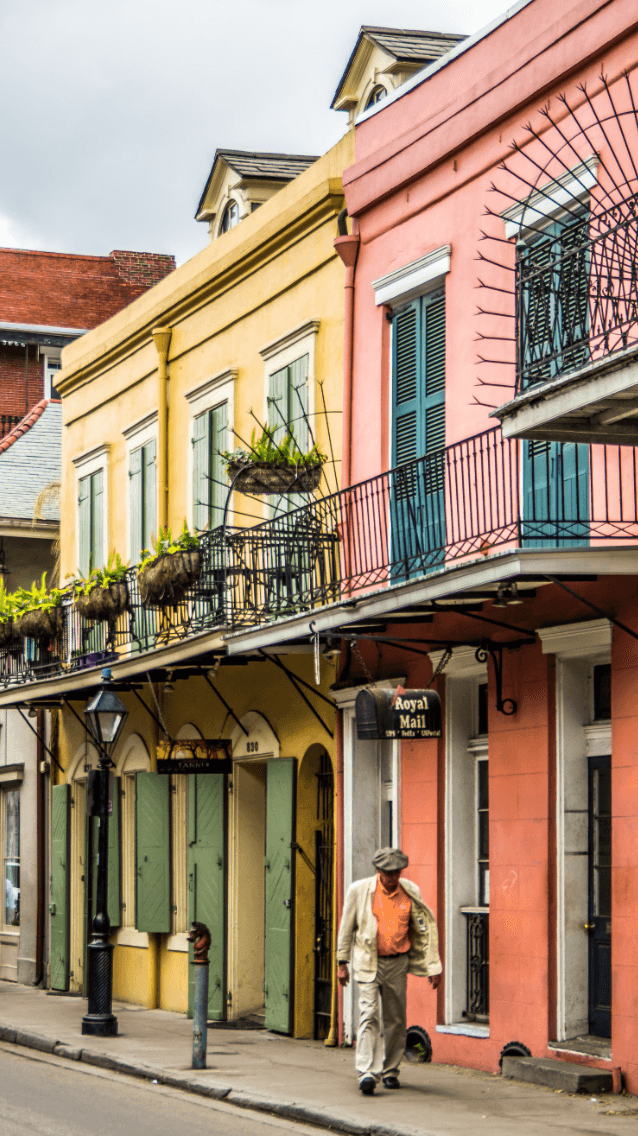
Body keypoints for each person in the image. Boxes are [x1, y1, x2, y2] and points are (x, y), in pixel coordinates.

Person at [336, 847, 441, 1096]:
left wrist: (433, 965)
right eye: (388, 873)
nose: (393, 877)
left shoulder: (410, 891)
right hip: (368, 961)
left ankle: (391, 1071)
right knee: (369, 1014)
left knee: (395, 1019)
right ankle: (367, 1072)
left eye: (397, 872)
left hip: (397, 963)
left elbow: (425, 930)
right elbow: (346, 927)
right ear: (378, 871)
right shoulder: (359, 891)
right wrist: (342, 962)